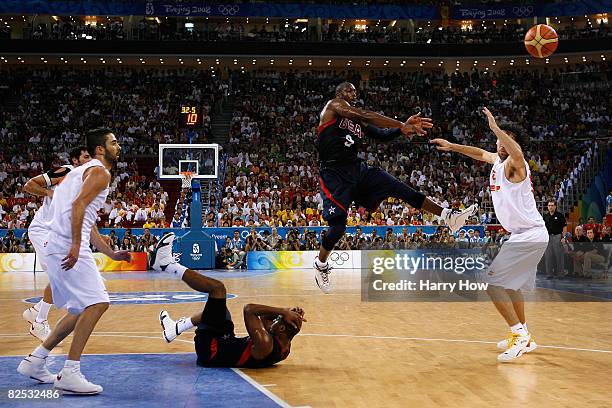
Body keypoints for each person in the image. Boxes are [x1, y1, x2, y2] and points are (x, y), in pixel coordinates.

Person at [313, 82, 477, 293]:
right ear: (339, 92)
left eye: (355, 91)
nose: (353, 93)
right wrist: (401, 124)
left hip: (358, 169)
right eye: (349, 90)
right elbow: (364, 115)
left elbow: (381, 136)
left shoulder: (357, 121)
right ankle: (321, 264)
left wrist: (402, 129)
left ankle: (447, 216)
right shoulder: (334, 106)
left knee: (398, 187)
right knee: (338, 226)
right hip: (334, 174)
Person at [17, 128, 131, 394]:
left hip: (58, 244)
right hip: (65, 245)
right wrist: (77, 246)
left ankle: (36, 360)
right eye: (114, 143)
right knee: (99, 303)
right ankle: (70, 371)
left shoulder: (76, 172)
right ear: (100, 149)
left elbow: (86, 219)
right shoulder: (100, 172)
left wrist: (110, 253)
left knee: (80, 308)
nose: (119, 146)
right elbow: (78, 207)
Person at [431, 107, 548, 362]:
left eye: (506, 137)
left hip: (530, 235)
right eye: (498, 137)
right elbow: (479, 153)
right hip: (522, 235)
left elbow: (516, 151)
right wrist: (452, 146)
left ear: (513, 142)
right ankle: (525, 335)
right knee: (511, 286)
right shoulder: (498, 160)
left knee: (493, 284)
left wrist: (496, 128)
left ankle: (517, 334)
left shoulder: (517, 164)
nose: (500, 142)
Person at [151, 233, 304, 368]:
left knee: (218, 289)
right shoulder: (284, 346)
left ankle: (167, 265)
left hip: (210, 350)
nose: (275, 320)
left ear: (282, 329)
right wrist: (287, 312)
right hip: (224, 341)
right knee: (220, 311)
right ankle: (175, 328)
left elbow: (249, 309)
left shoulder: (265, 342)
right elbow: (265, 317)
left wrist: (283, 312)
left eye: (278, 321)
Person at [21, 146, 91, 341]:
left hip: (57, 234)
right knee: (61, 274)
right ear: (75, 160)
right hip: (43, 230)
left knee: (60, 275)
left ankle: (37, 312)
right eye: (85, 157)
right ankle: (39, 322)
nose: (89, 160)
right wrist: (53, 194)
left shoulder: (87, 182)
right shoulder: (65, 171)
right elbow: (29, 185)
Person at [543, 200, 567, 279]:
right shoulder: (545, 216)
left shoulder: (559, 215)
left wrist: (563, 237)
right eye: (549, 205)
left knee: (559, 256)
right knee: (548, 256)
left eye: (552, 205)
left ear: (555, 206)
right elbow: (543, 228)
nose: (550, 207)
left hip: (557, 236)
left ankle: (560, 274)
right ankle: (549, 274)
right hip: (548, 237)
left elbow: (564, 227)